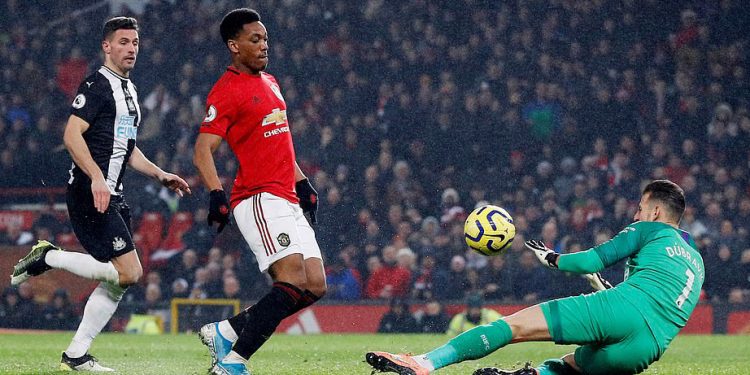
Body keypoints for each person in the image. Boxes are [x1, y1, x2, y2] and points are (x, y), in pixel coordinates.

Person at [366, 180, 704, 375]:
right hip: (648, 348)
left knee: (513, 327)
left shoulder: (650, 229)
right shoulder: (696, 261)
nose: (636, 214)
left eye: (641, 207)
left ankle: (424, 363)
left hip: (623, 308)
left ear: (656, 211)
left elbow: (593, 259)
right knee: (569, 369)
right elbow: (660, 303)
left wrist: (553, 258)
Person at [9, 16, 190, 371]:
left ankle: (76, 354)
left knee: (121, 280)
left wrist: (159, 174)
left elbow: (128, 147)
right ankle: (48, 258)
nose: (131, 49)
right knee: (129, 272)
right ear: (106, 46)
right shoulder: (96, 86)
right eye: (123, 42)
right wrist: (95, 177)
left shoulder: (131, 91)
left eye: (135, 43)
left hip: (113, 193)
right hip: (89, 192)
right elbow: (71, 136)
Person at [192, 8, 326, 375]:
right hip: (258, 198)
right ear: (234, 46)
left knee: (314, 285)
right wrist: (216, 194)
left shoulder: (271, 81)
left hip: (286, 194)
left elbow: (280, 140)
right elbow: (203, 149)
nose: (264, 45)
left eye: (265, 38)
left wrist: (301, 181)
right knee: (292, 280)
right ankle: (233, 363)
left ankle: (226, 331)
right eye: (255, 39)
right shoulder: (227, 90)